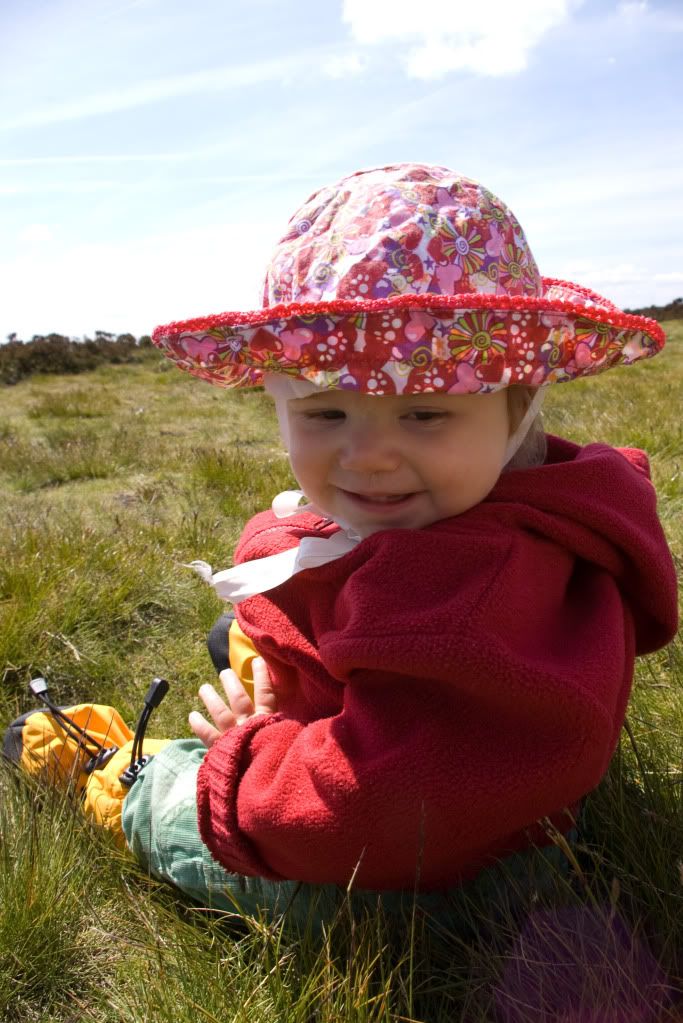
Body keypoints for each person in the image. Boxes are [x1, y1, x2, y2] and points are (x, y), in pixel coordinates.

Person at [5, 163, 678, 924]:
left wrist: (253, 750)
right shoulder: (516, 507)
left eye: (424, 414)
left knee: (178, 804)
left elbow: (360, 812)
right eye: (326, 414)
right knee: (258, 616)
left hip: (431, 866)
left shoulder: (461, 597)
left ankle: (109, 771)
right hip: (479, 779)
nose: (368, 457)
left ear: (517, 407)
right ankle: (270, 654)